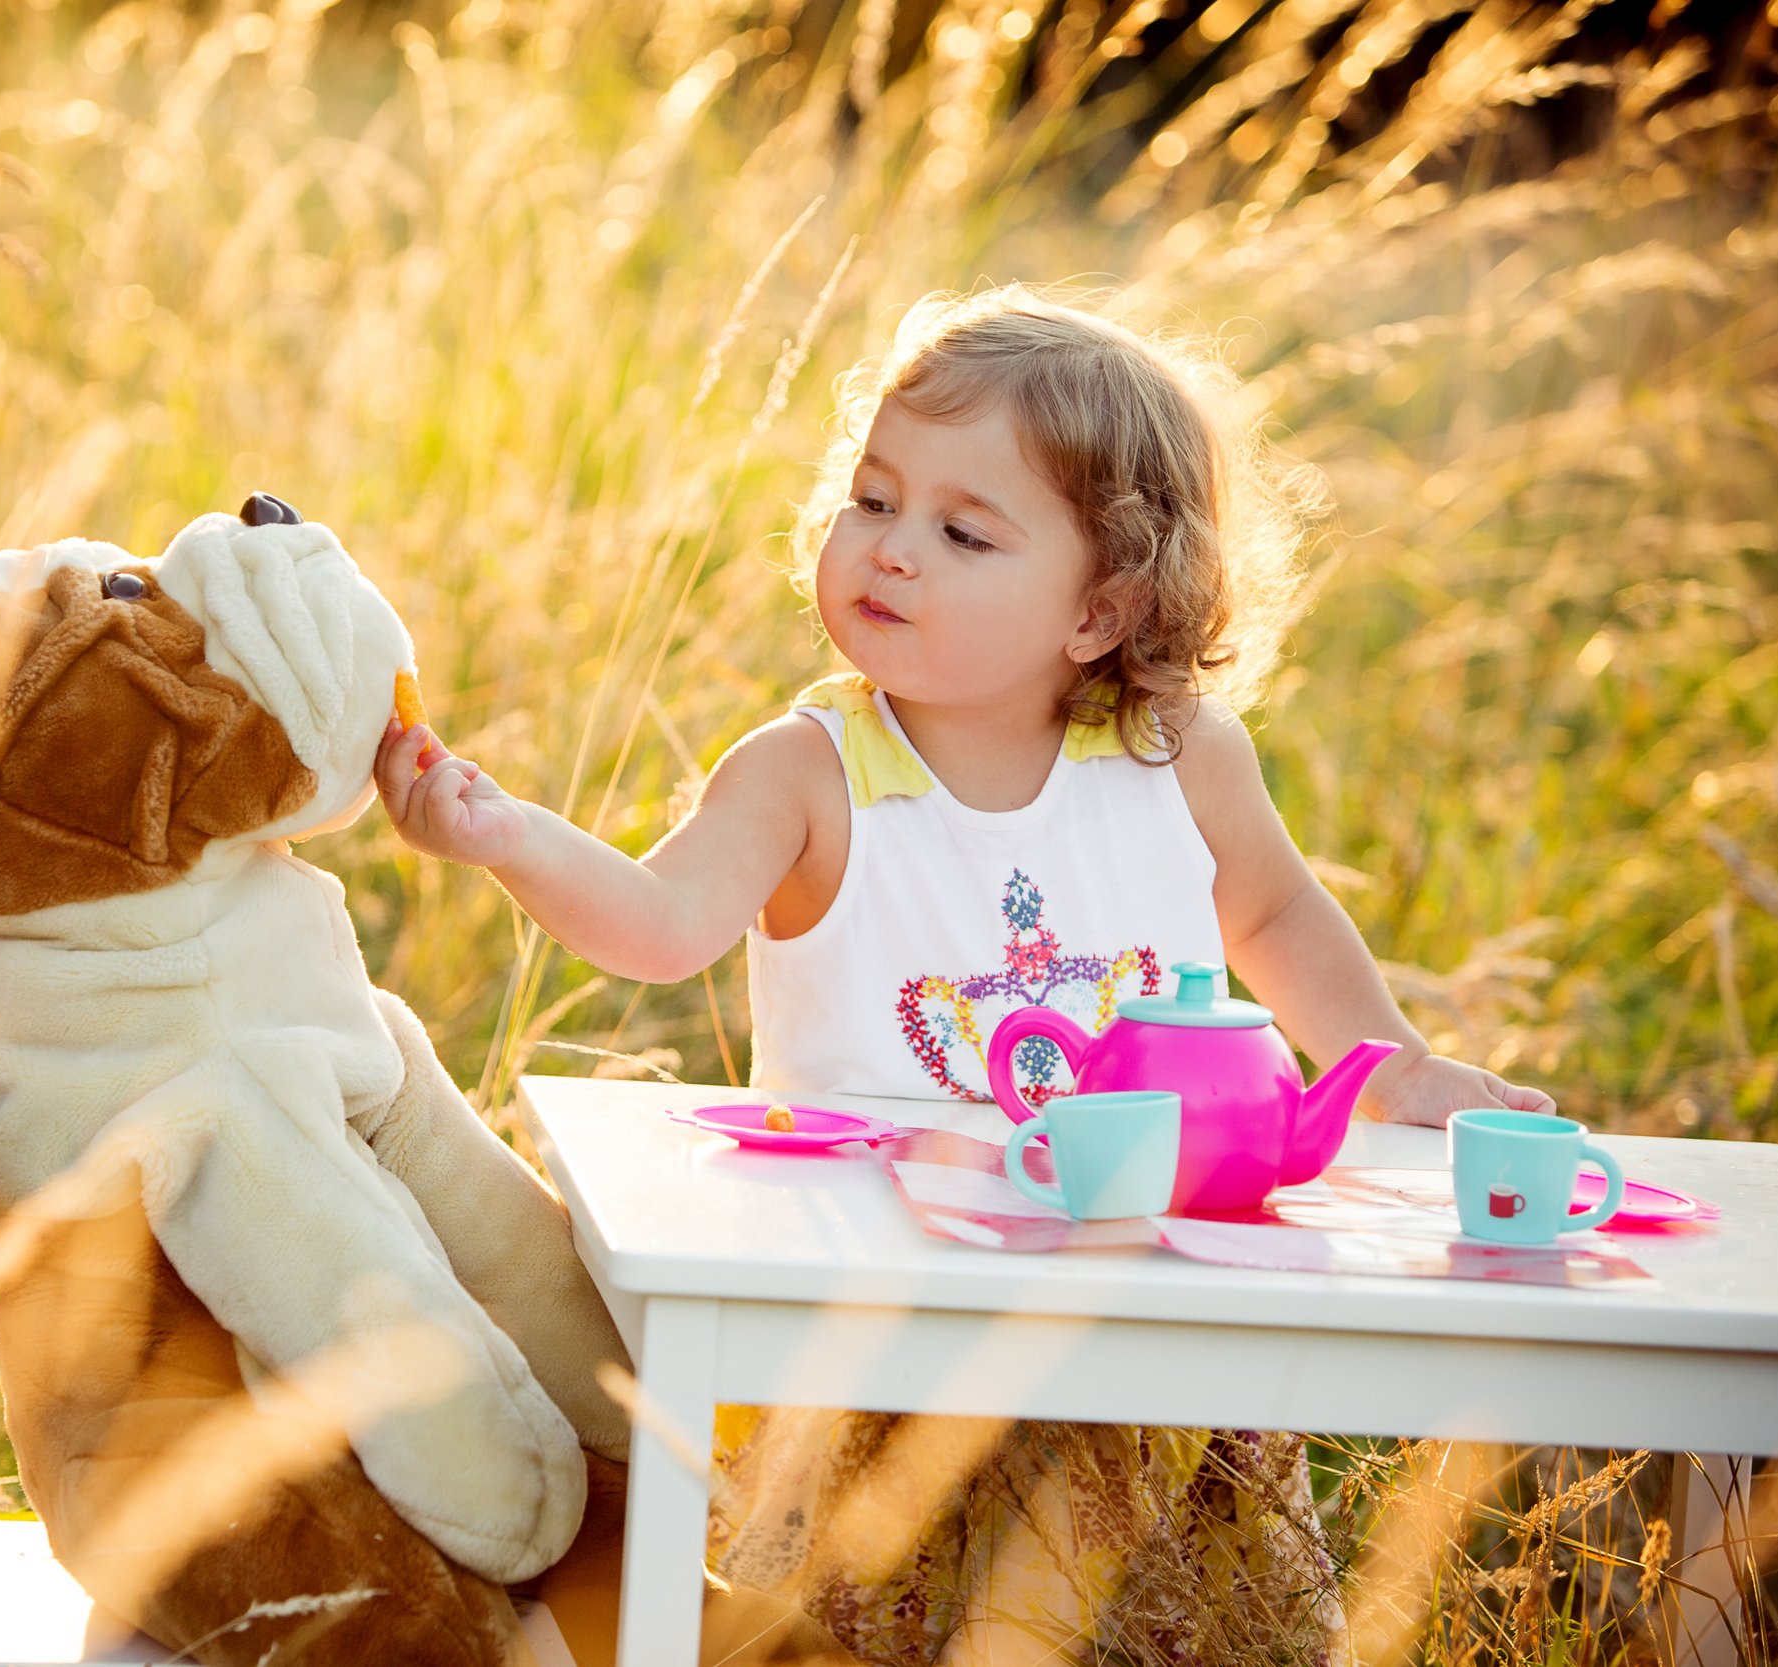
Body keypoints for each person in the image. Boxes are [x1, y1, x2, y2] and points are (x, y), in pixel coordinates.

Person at [370, 284, 1555, 1664]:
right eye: (872, 500)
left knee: (1179, 1630)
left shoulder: (1180, 758)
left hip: (1147, 1320)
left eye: (962, 529)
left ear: (1102, 611)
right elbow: (660, 921)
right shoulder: (810, 772)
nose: (892, 551)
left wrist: (1384, 1057)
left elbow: (1279, 911)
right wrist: (506, 834)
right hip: (884, 1332)